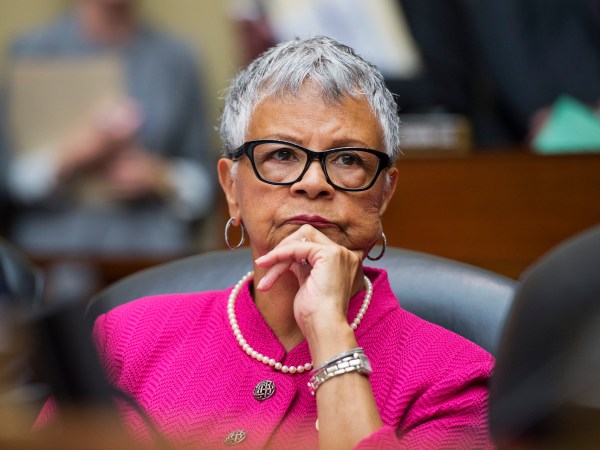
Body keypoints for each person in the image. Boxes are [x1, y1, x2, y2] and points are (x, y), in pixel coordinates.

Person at [38, 36, 494, 448]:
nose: (314, 182)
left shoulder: (455, 379)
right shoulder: (123, 340)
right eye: (281, 154)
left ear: (384, 192)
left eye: (348, 159)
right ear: (231, 189)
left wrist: (330, 334)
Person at [0, 0, 215, 274]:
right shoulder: (31, 51)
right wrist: (73, 156)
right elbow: (9, 181)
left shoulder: (177, 59)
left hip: (148, 254)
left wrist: (156, 175)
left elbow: (205, 182)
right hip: (49, 257)